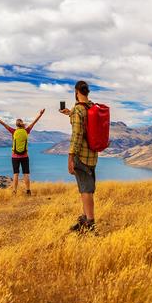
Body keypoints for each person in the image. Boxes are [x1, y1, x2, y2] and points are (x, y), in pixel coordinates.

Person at [60, 80, 98, 233]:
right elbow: (83, 123)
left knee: (85, 190)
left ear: (76, 92)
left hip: (81, 156)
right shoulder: (92, 107)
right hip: (93, 155)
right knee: (86, 188)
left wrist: (70, 158)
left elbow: (76, 135)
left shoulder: (78, 110)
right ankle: (84, 219)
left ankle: (90, 224)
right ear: (87, 92)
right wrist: (70, 114)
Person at [0, 109, 45, 196]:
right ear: (22, 124)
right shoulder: (27, 131)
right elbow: (35, 122)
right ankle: (28, 191)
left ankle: (14, 191)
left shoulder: (13, 131)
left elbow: (3, 124)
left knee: (16, 174)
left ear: (16, 125)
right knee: (26, 174)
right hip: (25, 156)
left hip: (15, 156)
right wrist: (40, 114)